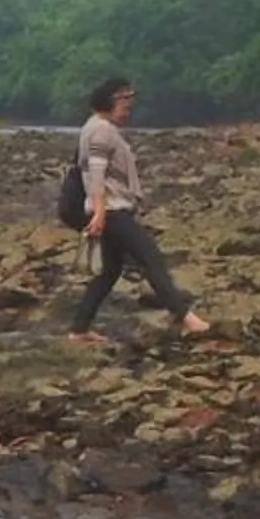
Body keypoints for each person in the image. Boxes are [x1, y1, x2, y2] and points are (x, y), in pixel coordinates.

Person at [68, 77, 211, 342]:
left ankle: (80, 328)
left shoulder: (96, 127)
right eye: (126, 102)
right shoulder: (101, 130)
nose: (129, 109)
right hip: (112, 211)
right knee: (150, 258)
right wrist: (99, 212)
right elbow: (96, 173)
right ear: (112, 99)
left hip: (109, 209)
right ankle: (184, 316)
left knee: (110, 271)